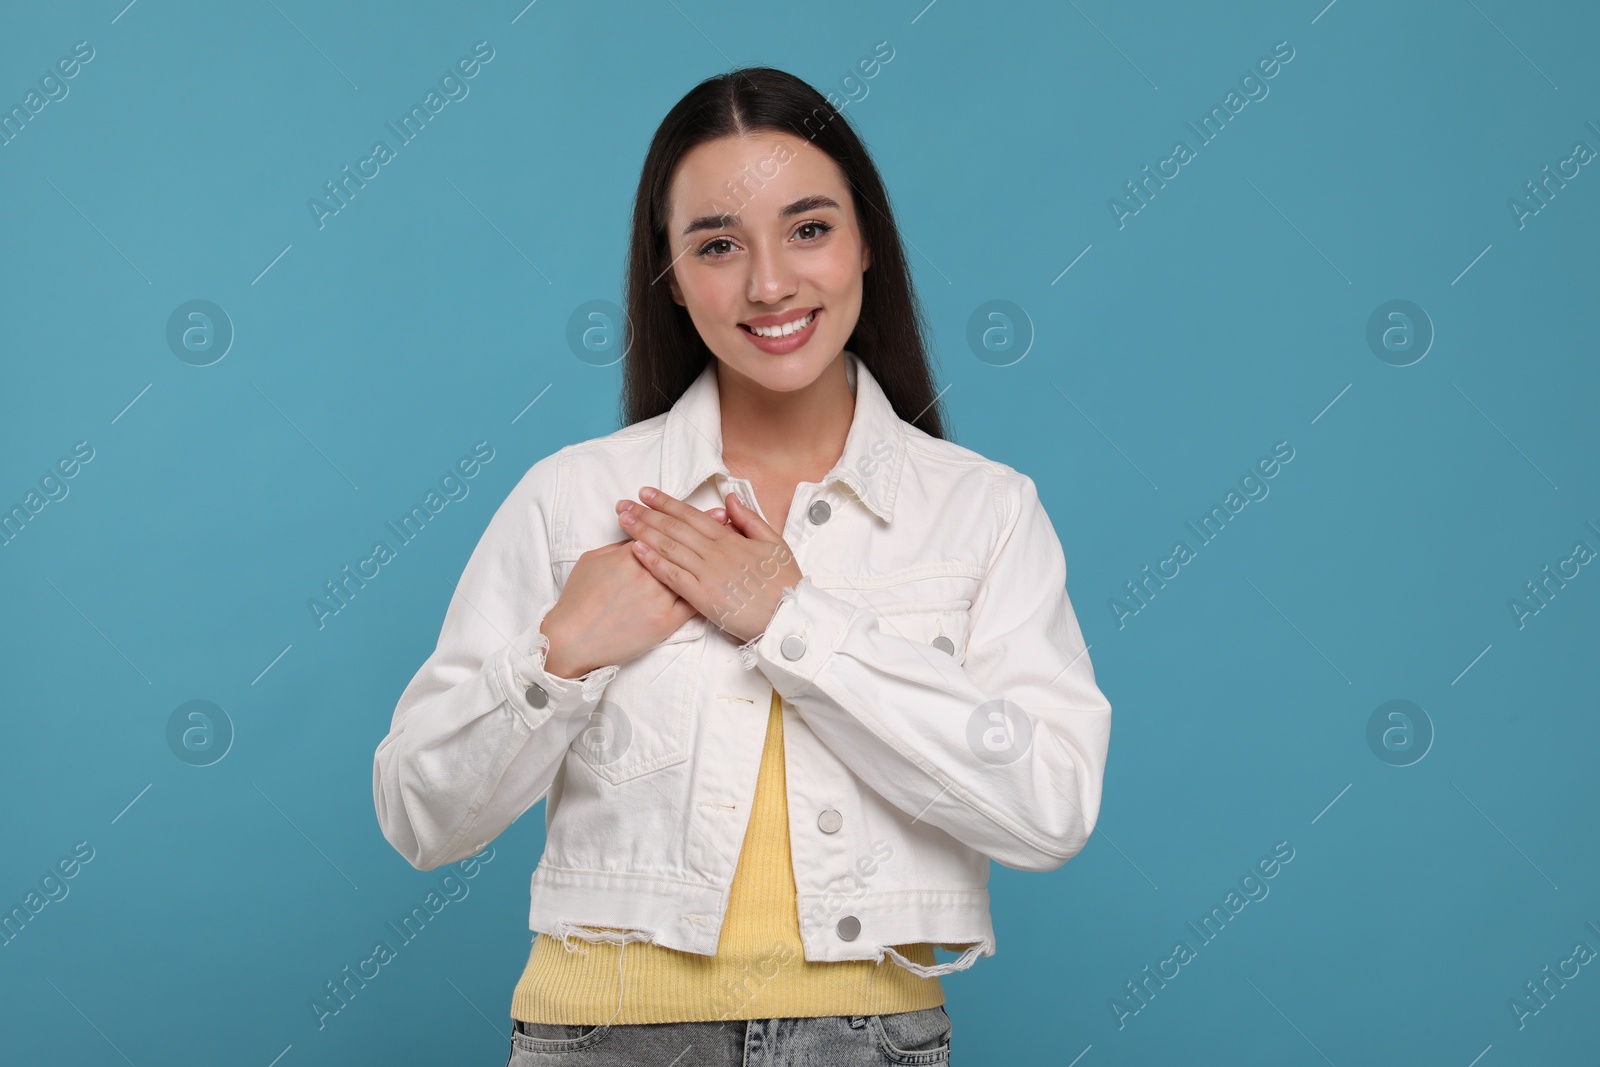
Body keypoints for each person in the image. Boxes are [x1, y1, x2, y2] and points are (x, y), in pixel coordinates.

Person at [372, 66, 1112, 1066]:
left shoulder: (981, 510)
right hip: (602, 1037)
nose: (768, 282)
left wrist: (789, 620)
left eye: (808, 228)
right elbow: (422, 815)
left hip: (872, 1042)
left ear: (865, 245)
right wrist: (562, 653)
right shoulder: (573, 498)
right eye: (717, 244)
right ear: (670, 276)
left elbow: (1048, 809)